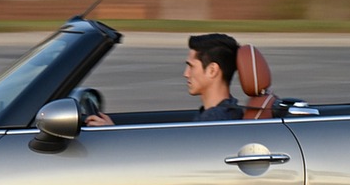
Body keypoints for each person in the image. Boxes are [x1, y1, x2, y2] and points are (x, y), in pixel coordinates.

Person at [86, 33, 242, 125]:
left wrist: (112, 136)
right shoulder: (223, 114)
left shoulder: (215, 121)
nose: (186, 74)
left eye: (191, 66)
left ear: (212, 70)